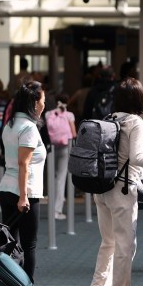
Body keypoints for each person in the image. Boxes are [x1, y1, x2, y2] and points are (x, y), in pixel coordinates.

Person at [83, 78, 143, 286]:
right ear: (140, 99)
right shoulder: (135, 122)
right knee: (125, 245)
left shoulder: (109, 119)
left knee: (108, 241)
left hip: (101, 187)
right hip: (122, 189)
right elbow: (138, 157)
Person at [0, 81, 54, 286]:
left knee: (11, 243)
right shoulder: (29, 128)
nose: (44, 104)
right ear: (33, 102)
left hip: (6, 188)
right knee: (28, 244)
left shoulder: (10, 124)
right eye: (42, 100)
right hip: (25, 192)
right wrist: (24, 196)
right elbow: (24, 164)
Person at [44, 92, 78, 220]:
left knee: (51, 178)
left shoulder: (48, 114)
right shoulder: (69, 115)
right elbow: (74, 133)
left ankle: (51, 208)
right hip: (65, 147)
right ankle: (57, 210)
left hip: (51, 148)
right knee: (61, 178)